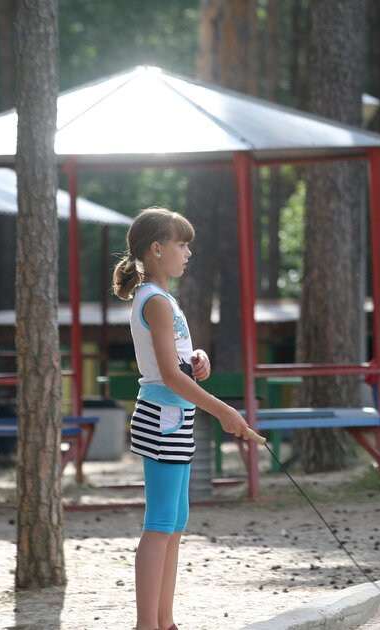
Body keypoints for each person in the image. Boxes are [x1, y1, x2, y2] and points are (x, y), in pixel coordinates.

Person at [113, 207, 256, 630]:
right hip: (162, 419)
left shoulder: (163, 299)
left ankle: (165, 622)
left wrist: (198, 358)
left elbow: (174, 363)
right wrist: (225, 410)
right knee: (159, 524)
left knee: (174, 524)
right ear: (157, 249)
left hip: (174, 418)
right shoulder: (154, 301)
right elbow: (168, 377)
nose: (188, 252)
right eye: (182, 243)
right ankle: (146, 625)